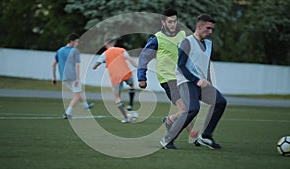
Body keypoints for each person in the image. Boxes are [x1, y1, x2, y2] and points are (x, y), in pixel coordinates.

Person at [160, 14, 227, 149]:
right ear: (199, 26)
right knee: (192, 109)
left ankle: (206, 137)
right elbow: (181, 65)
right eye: (208, 28)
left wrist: (209, 82)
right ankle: (167, 140)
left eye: (212, 29)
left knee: (220, 101)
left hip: (202, 83)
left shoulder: (208, 44)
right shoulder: (187, 42)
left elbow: (206, 66)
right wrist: (197, 80)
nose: (210, 32)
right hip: (186, 81)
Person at [137, 8, 195, 139]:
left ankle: (176, 124)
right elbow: (144, 58)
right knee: (184, 108)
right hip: (167, 78)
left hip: (181, 77)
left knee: (186, 109)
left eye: (174, 21)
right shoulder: (156, 38)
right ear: (163, 22)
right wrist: (142, 77)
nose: (173, 24)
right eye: (170, 22)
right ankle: (181, 134)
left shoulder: (182, 35)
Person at [93, 38, 137, 123]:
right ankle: (130, 105)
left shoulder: (104, 54)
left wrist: (99, 64)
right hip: (126, 73)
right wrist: (138, 67)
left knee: (117, 97)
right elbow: (130, 59)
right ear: (114, 43)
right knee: (132, 86)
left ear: (106, 44)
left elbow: (95, 66)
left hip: (115, 77)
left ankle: (126, 117)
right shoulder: (121, 50)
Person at [52, 33, 94, 119]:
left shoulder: (60, 50)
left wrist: (54, 78)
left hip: (63, 77)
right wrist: (78, 78)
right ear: (72, 41)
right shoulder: (75, 51)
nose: (77, 44)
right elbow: (77, 65)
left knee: (77, 92)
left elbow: (53, 64)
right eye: (76, 42)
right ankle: (68, 112)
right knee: (77, 94)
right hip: (73, 76)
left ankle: (86, 105)